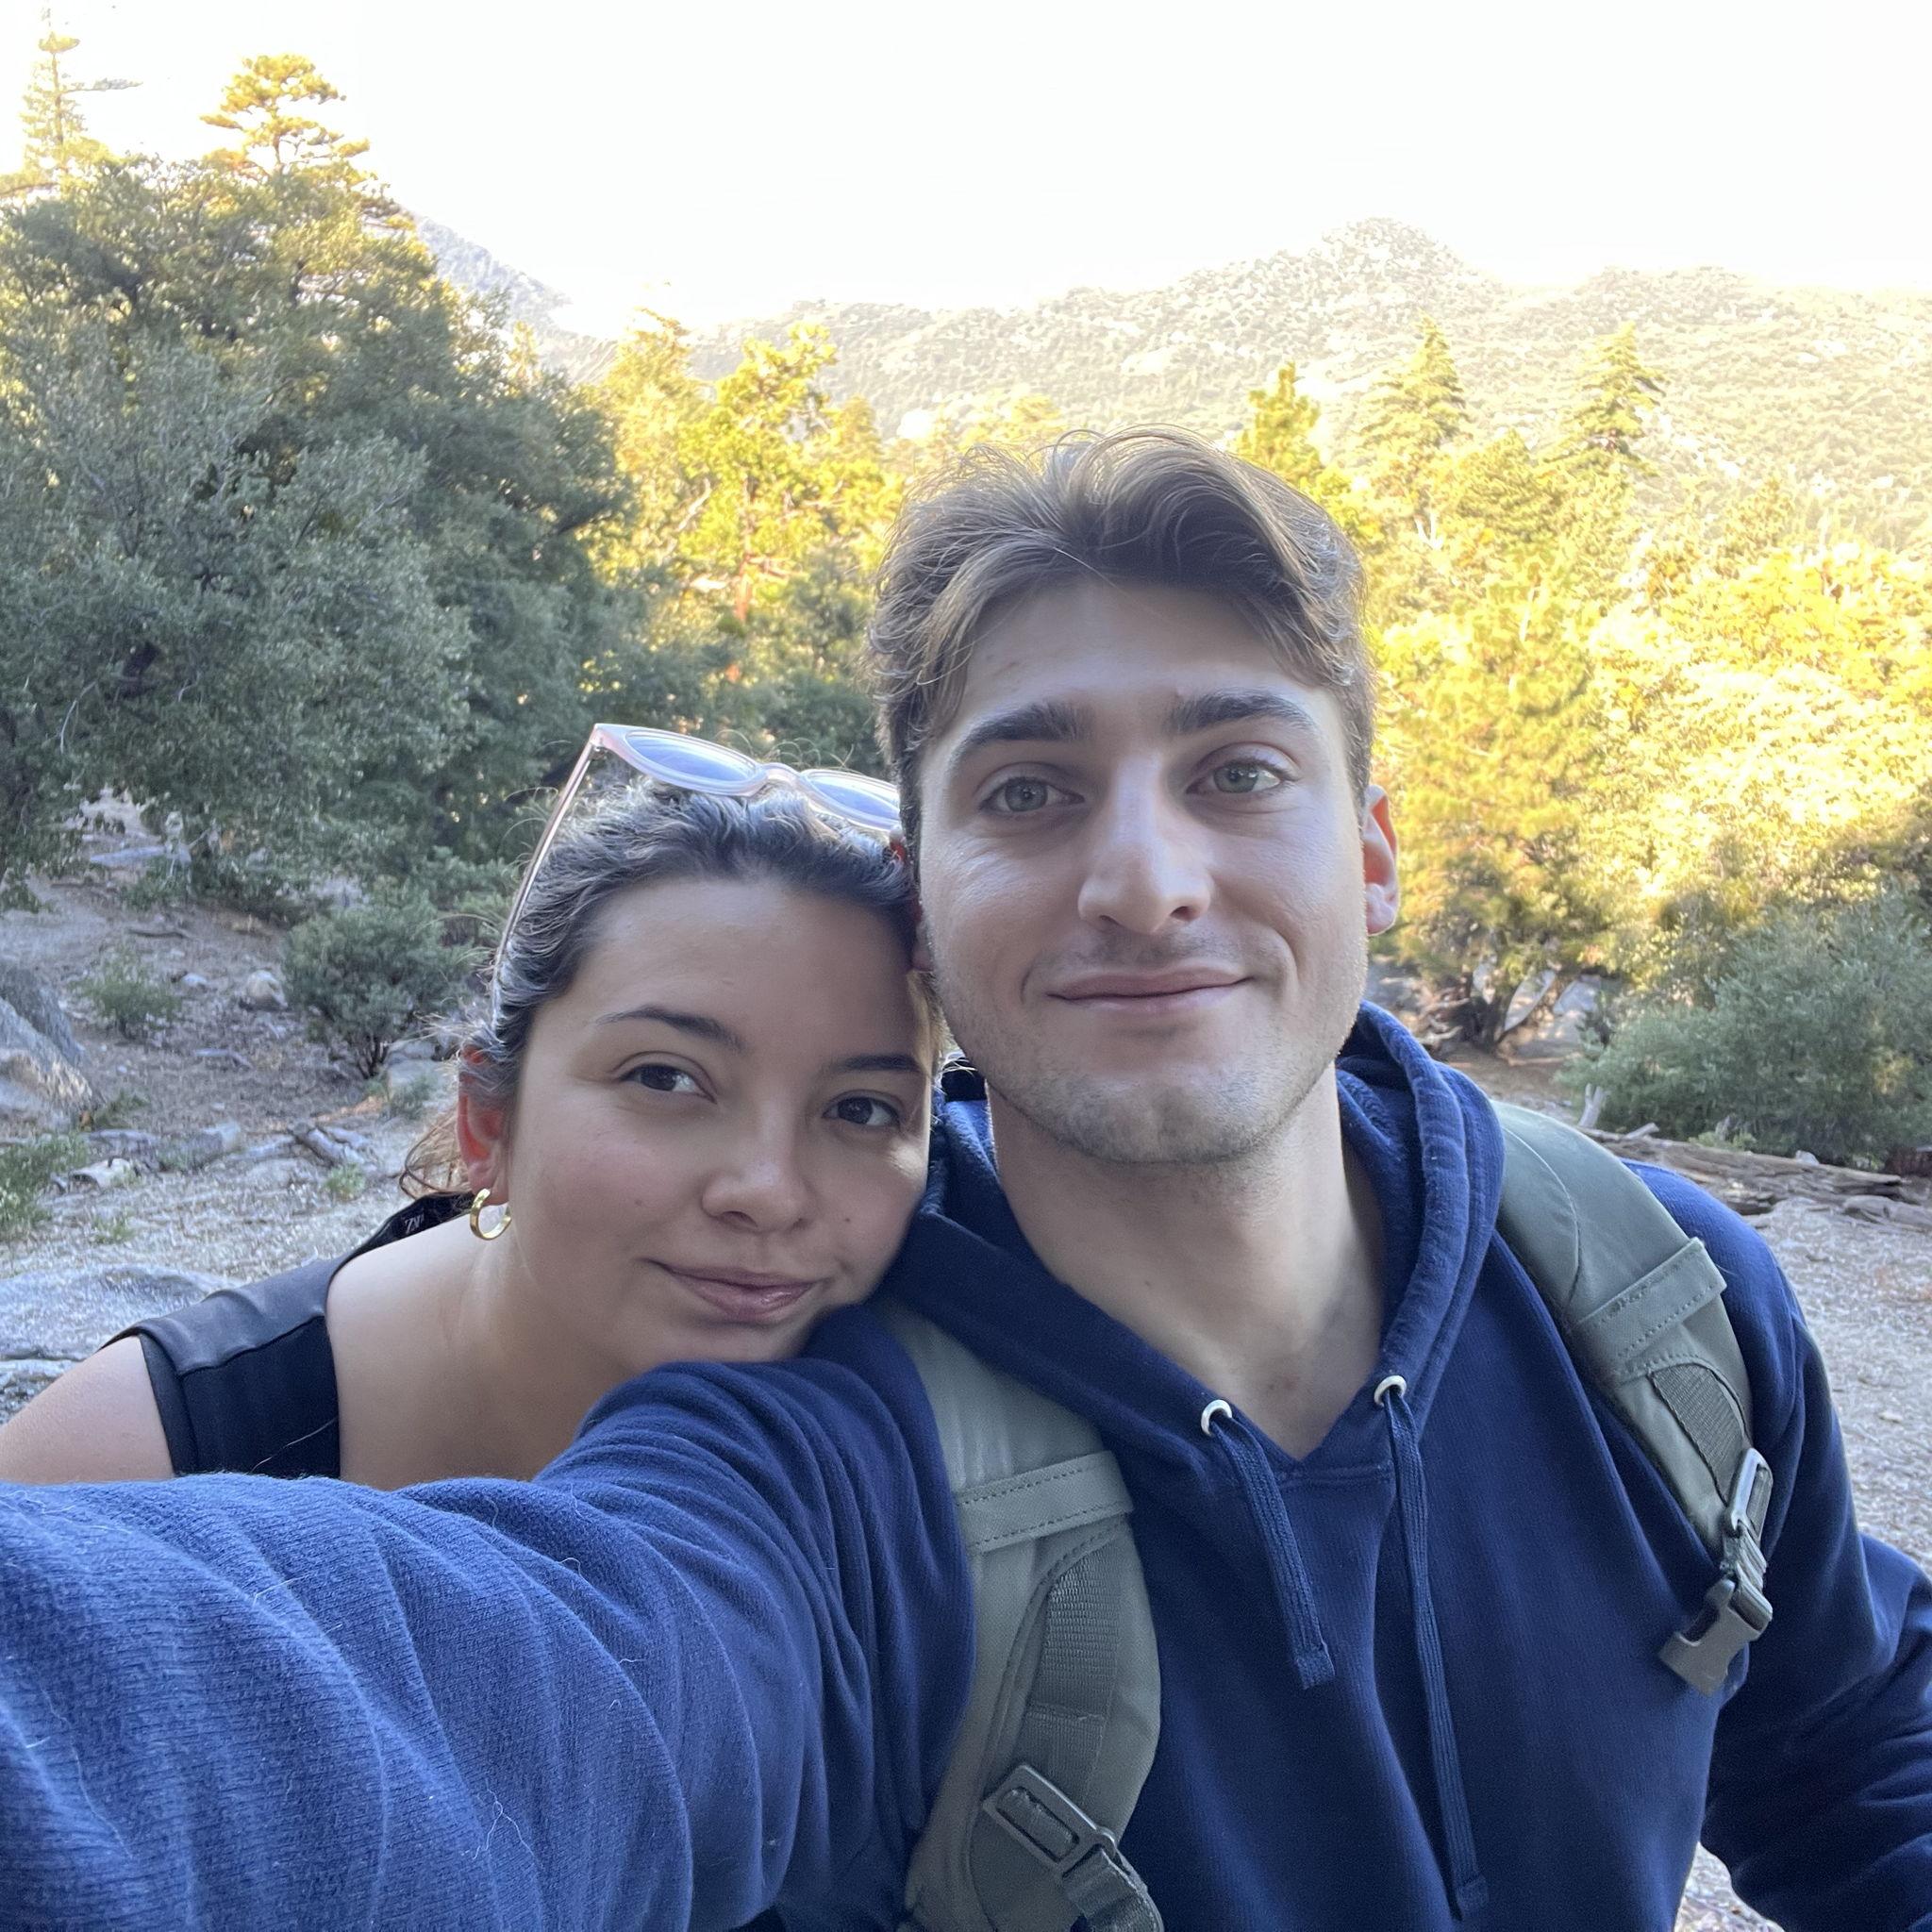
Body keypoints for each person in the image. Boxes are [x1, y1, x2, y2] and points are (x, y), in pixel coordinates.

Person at [2, 428, 1928, 1931]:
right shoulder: (823, 1464)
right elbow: (505, 1707)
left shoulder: (1648, 1289)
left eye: (1237, 770)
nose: (1145, 881)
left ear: (1368, 849)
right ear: (922, 900)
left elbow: (1857, 1744)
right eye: (1027, 791)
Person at [0, 776, 937, 1488]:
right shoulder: (123, 1466)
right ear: (490, 1117)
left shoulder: (950, 1404)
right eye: (664, 1077)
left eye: (860, 1108)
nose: (769, 1190)